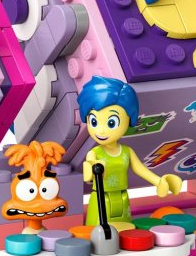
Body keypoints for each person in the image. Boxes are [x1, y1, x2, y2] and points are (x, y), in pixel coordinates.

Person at [78, 75, 183, 225]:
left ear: (129, 120)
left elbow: (140, 169)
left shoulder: (126, 152)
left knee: (126, 231)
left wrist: (159, 181)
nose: (101, 130)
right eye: (94, 121)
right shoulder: (94, 153)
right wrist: (92, 168)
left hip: (123, 197)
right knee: (99, 233)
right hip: (100, 198)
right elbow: (89, 170)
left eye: (111, 123)